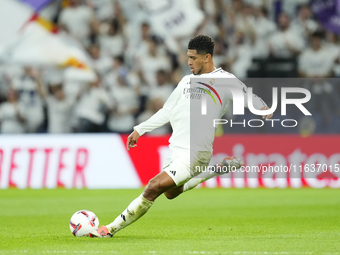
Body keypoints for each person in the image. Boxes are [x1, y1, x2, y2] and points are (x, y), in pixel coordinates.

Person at [90, 35, 272, 238]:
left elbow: (249, 97)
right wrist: (140, 129)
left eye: (193, 58)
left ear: (207, 57)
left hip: (196, 151)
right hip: (176, 148)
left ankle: (110, 229)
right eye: (188, 57)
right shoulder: (186, 81)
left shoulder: (225, 80)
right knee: (170, 193)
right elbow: (167, 111)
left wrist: (262, 107)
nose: (189, 62)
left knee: (153, 187)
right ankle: (217, 169)